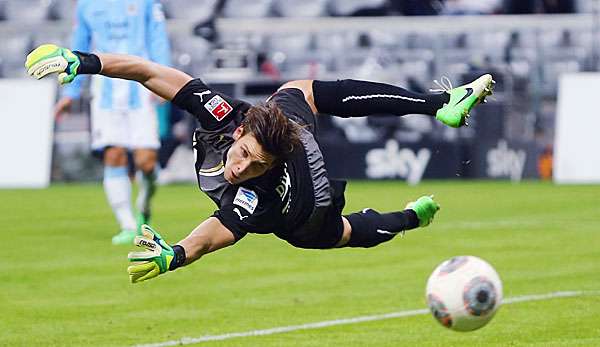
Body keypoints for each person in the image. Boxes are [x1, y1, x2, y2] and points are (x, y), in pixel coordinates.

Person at [25, 44, 494, 283]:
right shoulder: (228, 114)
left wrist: (175, 255)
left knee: (337, 235)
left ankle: (410, 216)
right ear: (241, 131)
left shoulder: (256, 192)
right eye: (243, 154)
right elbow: (149, 72)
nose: (239, 169)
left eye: (253, 166)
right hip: (288, 138)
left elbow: (216, 232)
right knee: (298, 91)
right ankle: (439, 105)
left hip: (303, 206)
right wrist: (81, 61)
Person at [54, 0, 171, 245]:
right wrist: (71, 94)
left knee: (146, 161)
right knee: (114, 154)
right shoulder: (87, 5)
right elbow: (79, 47)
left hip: (141, 89)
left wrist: (166, 83)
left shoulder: (146, 3)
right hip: (105, 91)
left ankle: (144, 206)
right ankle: (127, 224)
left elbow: (158, 40)